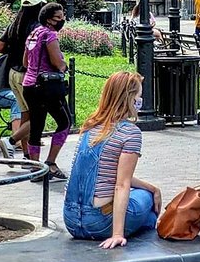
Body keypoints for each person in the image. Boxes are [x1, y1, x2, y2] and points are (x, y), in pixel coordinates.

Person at [63, 71, 161, 248]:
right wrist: (117, 234)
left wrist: (154, 188)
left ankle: (141, 221)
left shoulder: (90, 126)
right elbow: (121, 184)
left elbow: (112, 175)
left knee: (144, 193)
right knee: (146, 201)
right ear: (130, 99)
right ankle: (143, 226)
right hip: (100, 223)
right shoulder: (130, 133)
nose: (140, 101)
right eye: (139, 96)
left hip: (71, 221)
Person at [23, 2, 73, 181]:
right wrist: (63, 65)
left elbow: (25, 63)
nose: (62, 20)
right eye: (58, 17)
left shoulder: (33, 34)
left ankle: (36, 169)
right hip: (47, 87)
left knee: (36, 125)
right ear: (49, 20)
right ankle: (50, 163)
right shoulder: (50, 35)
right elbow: (57, 62)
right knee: (65, 122)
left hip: (29, 85)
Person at [0, 0, 44, 160]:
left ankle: (28, 155)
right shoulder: (36, 27)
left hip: (12, 74)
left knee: (25, 114)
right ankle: (11, 140)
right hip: (27, 75)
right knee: (37, 115)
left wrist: (14, 49)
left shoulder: (15, 24)